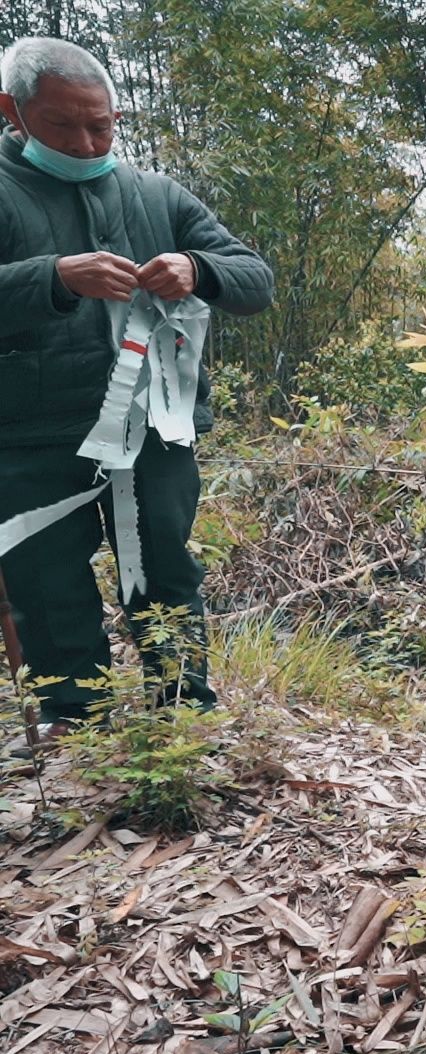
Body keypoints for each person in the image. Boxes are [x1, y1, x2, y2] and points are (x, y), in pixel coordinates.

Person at [0, 37, 273, 733]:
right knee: (49, 584)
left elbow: (254, 279)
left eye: (103, 125)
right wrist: (51, 278)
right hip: (33, 435)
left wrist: (196, 267)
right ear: (13, 111)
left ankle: (183, 717)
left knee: (166, 573)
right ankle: (75, 727)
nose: (89, 143)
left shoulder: (154, 192)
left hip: (156, 426)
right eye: (64, 125)